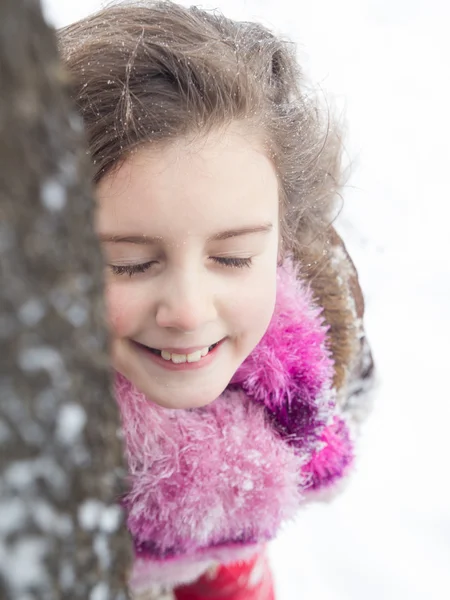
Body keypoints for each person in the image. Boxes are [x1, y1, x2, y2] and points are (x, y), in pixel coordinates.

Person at [58, 2, 375, 598]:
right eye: (128, 263)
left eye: (232, 258)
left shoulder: (315, 356)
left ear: (284, 235)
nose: (188, 311)